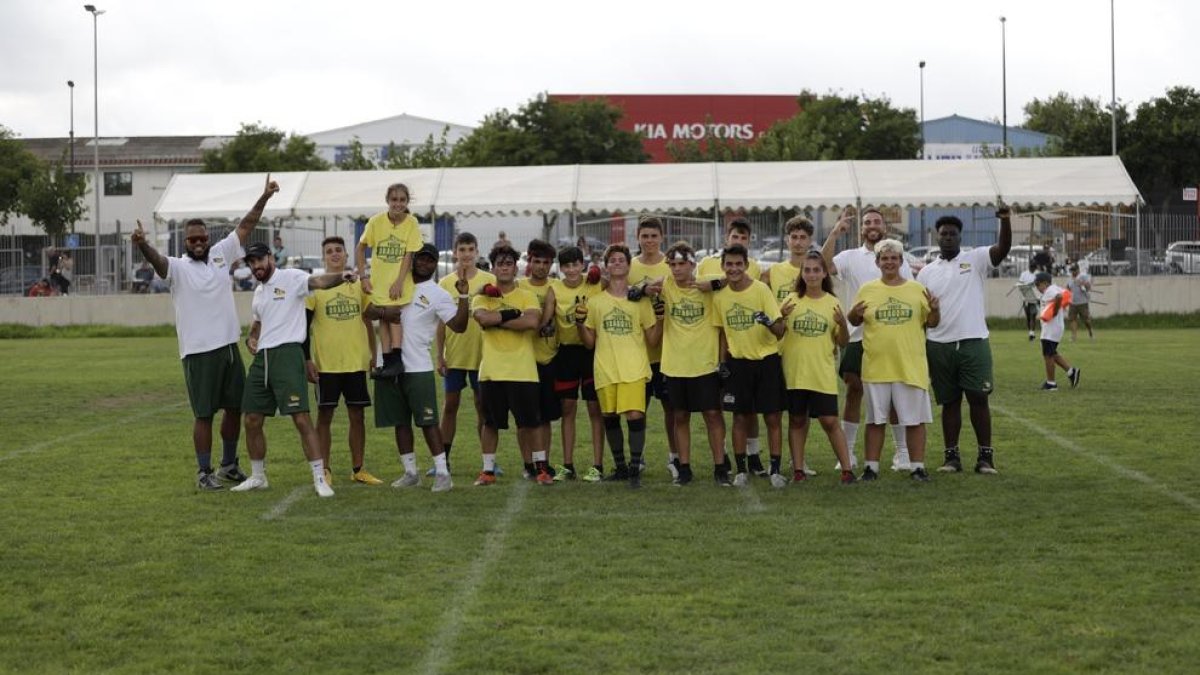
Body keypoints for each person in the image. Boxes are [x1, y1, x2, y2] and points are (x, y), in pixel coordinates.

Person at [130, 175, 278, 490]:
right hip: (198, 352)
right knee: (204, 414)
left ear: (208, 239)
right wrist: (143, 244)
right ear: (184, 242)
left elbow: (247, 225)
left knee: (235, 408)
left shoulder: (222, 254)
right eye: (192, 240)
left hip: (228, 348)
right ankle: (203, 472)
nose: (198, 243)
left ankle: (228, 465)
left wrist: (264, 197)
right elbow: (158, 263)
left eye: (201, 239)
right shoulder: (177, 267)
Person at [231, 242, 358, 497]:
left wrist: (341, 276)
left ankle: (320, 478)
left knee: (301, 418)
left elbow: (319, 282)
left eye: (259, 260)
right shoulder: (259, 292)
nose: (256, 266)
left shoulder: (292, 277)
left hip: (288, 354)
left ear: (270, 257)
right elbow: (257, 323)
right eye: (251, 263)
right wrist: (252, 338)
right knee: (252, 419)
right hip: (262, 359)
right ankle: (258, 476)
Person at [368, 243, 470, 492]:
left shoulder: (437, 293)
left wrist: (465, 297)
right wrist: (386, 311)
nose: (425, 263)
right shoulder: (393, 282)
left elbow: (459, 325)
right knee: (400, 421)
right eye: (421, 258)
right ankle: (410, 472)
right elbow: (368, 310)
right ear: (412, 260)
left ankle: (443, 474)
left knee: (427, 421)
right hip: (389, 363)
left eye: (430, 260)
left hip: (418, 367)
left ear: (436, 264)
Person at [917, 209, 1012, 475]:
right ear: (937, 237)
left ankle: (985, 458)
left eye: (952, 234)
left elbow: (1003, 248)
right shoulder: (925, 273)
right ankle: (951, 457)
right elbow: (924, 312)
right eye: (943, 234)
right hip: (938, 344)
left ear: (960, 237)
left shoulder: (976, 259)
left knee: (978, 397)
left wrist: (1005, 219)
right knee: (949, 402)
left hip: (973, 342)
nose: (947, 237)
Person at [821, 208, 914, 472]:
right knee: (854, 389)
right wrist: (835, 233)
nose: (872, 225)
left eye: (876, 221)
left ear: (885, 227)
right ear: (861, 228)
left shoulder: (897, 255)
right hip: (858, 335)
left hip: (892, 338)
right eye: (867, 222)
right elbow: (825, 265)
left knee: (896, 395)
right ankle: (847, 453)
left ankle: (903, 453)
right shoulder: (851, 257)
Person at [847, 239, 940, 482]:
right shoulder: (867, 289)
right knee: (875, 420)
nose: (889, 262)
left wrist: (935, 310)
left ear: (901, 261)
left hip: (910, 365)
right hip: (876, 366)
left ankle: (917, 467)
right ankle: (871, 468)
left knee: (915, 419)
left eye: (894, 258)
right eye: (884, 258)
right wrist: (852, 314)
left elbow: (931, 323)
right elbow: (855, 320)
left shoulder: (916, 289)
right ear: (877, 262)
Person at [577, 244, 663, 489]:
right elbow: (589, 342)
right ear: (606, 266)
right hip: (605, 368)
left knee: (635, 416)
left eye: (621, 260)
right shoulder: (595, 302)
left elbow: (653, 340)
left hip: (634, 368)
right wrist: (580, 325)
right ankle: (621, 468)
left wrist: (661, 318)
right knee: (610, 417)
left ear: (628, 265)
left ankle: (635, 469)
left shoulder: (640, 301)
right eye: (612, 260)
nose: (616, 263)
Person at [304, 235, 382, 487]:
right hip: (327, 365)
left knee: (357, 416)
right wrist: (307, 359)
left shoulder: (358, 284)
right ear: (324, 257)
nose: (335, 254)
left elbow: (368, 319)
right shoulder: (315, 286)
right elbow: (303, 328)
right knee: (324, 416)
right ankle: (324, 469)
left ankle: (358, 469)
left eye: (339, 250)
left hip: (355, 362)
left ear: (347, 256)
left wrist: (373, 353)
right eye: (329, 251)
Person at [471, 244, 547, 486]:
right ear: (493, 268)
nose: (504, 267)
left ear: (516, 267)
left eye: (508, 263)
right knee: (490, 423)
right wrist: (512, 315)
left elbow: (532, 322)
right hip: (492, 372)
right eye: (500, 263)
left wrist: (498, 321)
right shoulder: (482, 296)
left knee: (531, 423)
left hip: (523, 371)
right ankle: (487, 471)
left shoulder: (527, 295)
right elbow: (482, 318)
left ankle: (541, 469)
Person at [711, 244, 787, 486]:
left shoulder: (761, 290)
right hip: (738, 364)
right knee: (740, 418)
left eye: (738, 264)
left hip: (766, 361)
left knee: (772, 417)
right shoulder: (720, 297)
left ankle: (775, 470)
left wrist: (767, 322)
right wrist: (722, 363)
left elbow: (780, 331)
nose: (734, 269)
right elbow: (722, 332)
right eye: (729, 264)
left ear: (746, 265)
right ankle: (741, 470)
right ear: (723, 266)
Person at [778, 251, 856, 485]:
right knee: (797, 420)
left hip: (821, 372)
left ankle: (847, 470)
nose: (811, 274)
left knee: (829, 421)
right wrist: (780, 317)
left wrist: (843, 325)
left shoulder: (833, 302)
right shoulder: (790, 300)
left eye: (816, 270)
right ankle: (798, 470)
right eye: (807, 270)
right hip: (794, 373)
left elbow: (842, 342)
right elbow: (777, 334)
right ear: (801, 274)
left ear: (824, 273)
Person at [697, 217, 767, 475]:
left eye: (744, 238)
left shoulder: (755, 267)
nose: (739, 241)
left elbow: (739, 282)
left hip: (740, 343)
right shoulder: (705, 263)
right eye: (735, 237)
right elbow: (700, 286)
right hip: (709, 339)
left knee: (747, 408)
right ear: (727, 237)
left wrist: (718, 281)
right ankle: (723, 454)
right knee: (716, 407)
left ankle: (753, 453)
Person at [659, 241, 729, 486]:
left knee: (712, 415)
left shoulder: (708, 284)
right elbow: (643, 286)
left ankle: (720, 467)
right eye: (672, 264)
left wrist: (715, 284)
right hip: (675, 364)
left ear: (692, 264)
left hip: (705, 363)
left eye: (682, 264)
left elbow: (734, 277)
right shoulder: (666, 284)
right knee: (680, 416)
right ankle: (685, 467)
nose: (677, 269)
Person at [763, 216, 820, 475]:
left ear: (810, 241)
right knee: (773, 410)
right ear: (787, 240)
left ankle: (798, 460)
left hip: (805, 348)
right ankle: (770, 459)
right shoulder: (772, 272)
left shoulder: (815, 270)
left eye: (803, 238)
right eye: (794, 237)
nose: (798, 242)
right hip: (775, 348)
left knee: (800, 412)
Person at [436, 232, 497, 475]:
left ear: (477, 252)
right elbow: (441, 323)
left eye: (471, 249)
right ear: (455, 253)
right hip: (455, 355)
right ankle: (443, 461)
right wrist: (440, 355)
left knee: (483, 406)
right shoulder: (445, 283)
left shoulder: (489, 280)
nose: (466, 254)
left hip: (482, 355)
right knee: (450, 406)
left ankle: (488, 462)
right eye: (462, 250)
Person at [549, 246, 606, 482]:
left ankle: (597, 465)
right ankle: (567, 464)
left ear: (582, 264)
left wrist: (599, 272)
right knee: (567, 409)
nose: (572, 270)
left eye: (575, 264)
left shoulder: (594, 282)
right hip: (567, 354)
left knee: (595, 409)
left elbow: (614, 283)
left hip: (592, 352)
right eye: (566, 266)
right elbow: (547, 318)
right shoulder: (555, 289)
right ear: (561, 268)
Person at [356, 183, 421, 380]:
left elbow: (409, 254)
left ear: (407, 202)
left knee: (393, 316)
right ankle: (387, 361)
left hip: (398, 281)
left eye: (402, 200)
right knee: (383, 318)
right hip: (378, 281)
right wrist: (363, 276)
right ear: (387, 201)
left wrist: (399, 281)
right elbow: (360, 248)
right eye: (394, 199)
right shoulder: (375, 222)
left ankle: (396, 360)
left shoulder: (412, 223)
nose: (398, 204)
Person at [628, 216, 675, 476]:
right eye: (644, 236)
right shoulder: (630, 266)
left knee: (672, 409)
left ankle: (674, 456)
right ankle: (639, 456)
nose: (649, 241)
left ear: (661, 238)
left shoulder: (672, 265)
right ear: (637, 237)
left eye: (653, 236)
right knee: (638, 410)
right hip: (638, 352)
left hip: (668, 351)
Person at [518, 239, 563, 479]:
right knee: (525, 419)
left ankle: (543, 462)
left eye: (546, 262)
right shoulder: (518, 286)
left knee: (546, 417)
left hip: (549, 358)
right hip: (524, 360)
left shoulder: (557, 286)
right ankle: (528, 464)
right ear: (530, 262)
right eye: (537, 261)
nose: (542, 266)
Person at [1034, 272, 1082, 391]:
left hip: (1051, 328)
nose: (1037, 288)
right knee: (1052, 353)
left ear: (1045, 283)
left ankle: (1051, 383)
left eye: (1037, 285)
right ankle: (1071, 372)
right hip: (1052, 328)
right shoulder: (1053, 288)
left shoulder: (1050, 290)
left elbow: (1059, 297)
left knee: (1048, 355)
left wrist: (1055, 311)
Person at [1066, 264, 1094, 341]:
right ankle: (1074, 336)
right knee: (1072, 319)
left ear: (1078, 270)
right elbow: (1068, 288)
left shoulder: (1083, 276)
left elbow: (1088, 287)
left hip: (1082, 302)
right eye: (1072, 270)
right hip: (1073, 302)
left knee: (1086, 320)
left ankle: (1090, 332)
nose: (1073, 272)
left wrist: (1082, 284)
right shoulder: (1070, 278)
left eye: (1074, 270)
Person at [1017, 260, 1039, 341]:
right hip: (1026, 298)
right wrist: (1025, 285)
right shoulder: (1024, 274)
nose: (1032, 269)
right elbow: (1020, 284)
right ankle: (1030, 332)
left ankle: (1032, 333)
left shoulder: (1037, 274)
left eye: (1034, 268)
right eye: (1031, 267)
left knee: (1033, 315)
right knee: (1028, 317)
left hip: (1034, 298)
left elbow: (1038, 285)